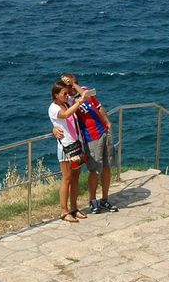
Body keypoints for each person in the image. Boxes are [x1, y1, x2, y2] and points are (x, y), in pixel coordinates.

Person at [61, 73, 119, 214]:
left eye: (69, 79)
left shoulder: (85, 90)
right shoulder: (67, 100)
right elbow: (62, 116)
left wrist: (107, 122)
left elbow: (97, 105)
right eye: (65, 82)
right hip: (90, 137)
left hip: (104, 132)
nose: (68, 83)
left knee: (107, 167)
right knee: (94, 170)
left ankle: (105, 199)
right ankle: (93, 200)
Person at [49, 80, 90, 223]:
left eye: (67, 93)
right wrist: (78, 103)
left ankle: (74, 208)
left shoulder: (66, 102)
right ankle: (63, 210)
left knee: (75, 177)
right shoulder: (54, 108)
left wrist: (72, 83)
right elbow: (65, 115)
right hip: (66, 148)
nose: (67, 95)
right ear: (56, 95)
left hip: (75, 145)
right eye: (64, 93)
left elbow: (83, 94)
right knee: (66, 178)